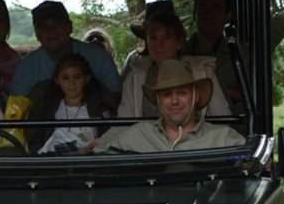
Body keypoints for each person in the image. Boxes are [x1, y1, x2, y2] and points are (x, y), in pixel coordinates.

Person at [97, 59, 244, 153]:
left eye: (182, 93)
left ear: (196, 96)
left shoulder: (222, 137)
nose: (174, 101)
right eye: (167, 94)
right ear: (158, 100)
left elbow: (253, 165)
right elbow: (98, 158)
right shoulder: (137, 134)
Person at [117, 10, 231, 119]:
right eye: (153, 38)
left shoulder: (203, 71)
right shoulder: (135, 77)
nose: (159, 44)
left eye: (167, 37)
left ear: (179, 42)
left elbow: (222, 116)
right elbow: (123, 123)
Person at [10, 1, 120, 96]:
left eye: (56, 24)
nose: (51, 31)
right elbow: (16, 111)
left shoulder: (97, 56)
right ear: (37, 33)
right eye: (43, 27)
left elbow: (117, 97)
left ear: (69, 27)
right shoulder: (27, 67)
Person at [26, 53, 116, 154]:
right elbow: (37, 141)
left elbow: (110, 138)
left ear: (86, 79)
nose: (71, 82)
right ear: (57, 80)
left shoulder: (100, 108)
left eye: (77, 77)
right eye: (65, 78)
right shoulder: (47, 107)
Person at [184, 0, 247, 114]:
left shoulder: (240, 54)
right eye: (203, 7)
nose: (209, 14)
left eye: (216, 8)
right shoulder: (179, 53)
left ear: (227, 16)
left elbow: (253, 96)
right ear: (195, 14)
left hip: (230, 128)